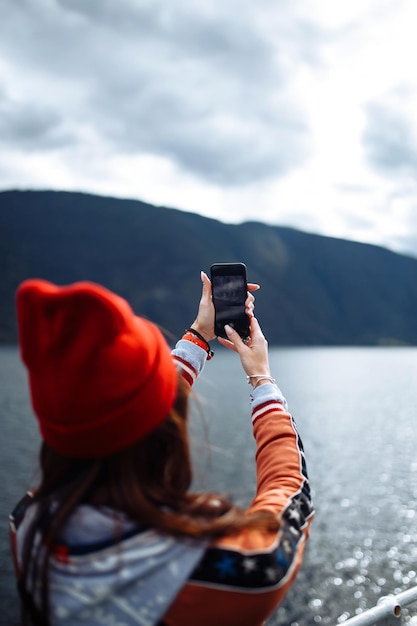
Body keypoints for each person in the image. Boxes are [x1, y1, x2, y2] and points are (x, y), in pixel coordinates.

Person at [10, 271, 314, 626]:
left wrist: (200, 334)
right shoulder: (234, 573)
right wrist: (261, 378)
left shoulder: (30, 526)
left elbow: (124, 410)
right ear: (164, 435)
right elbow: (289, 490)